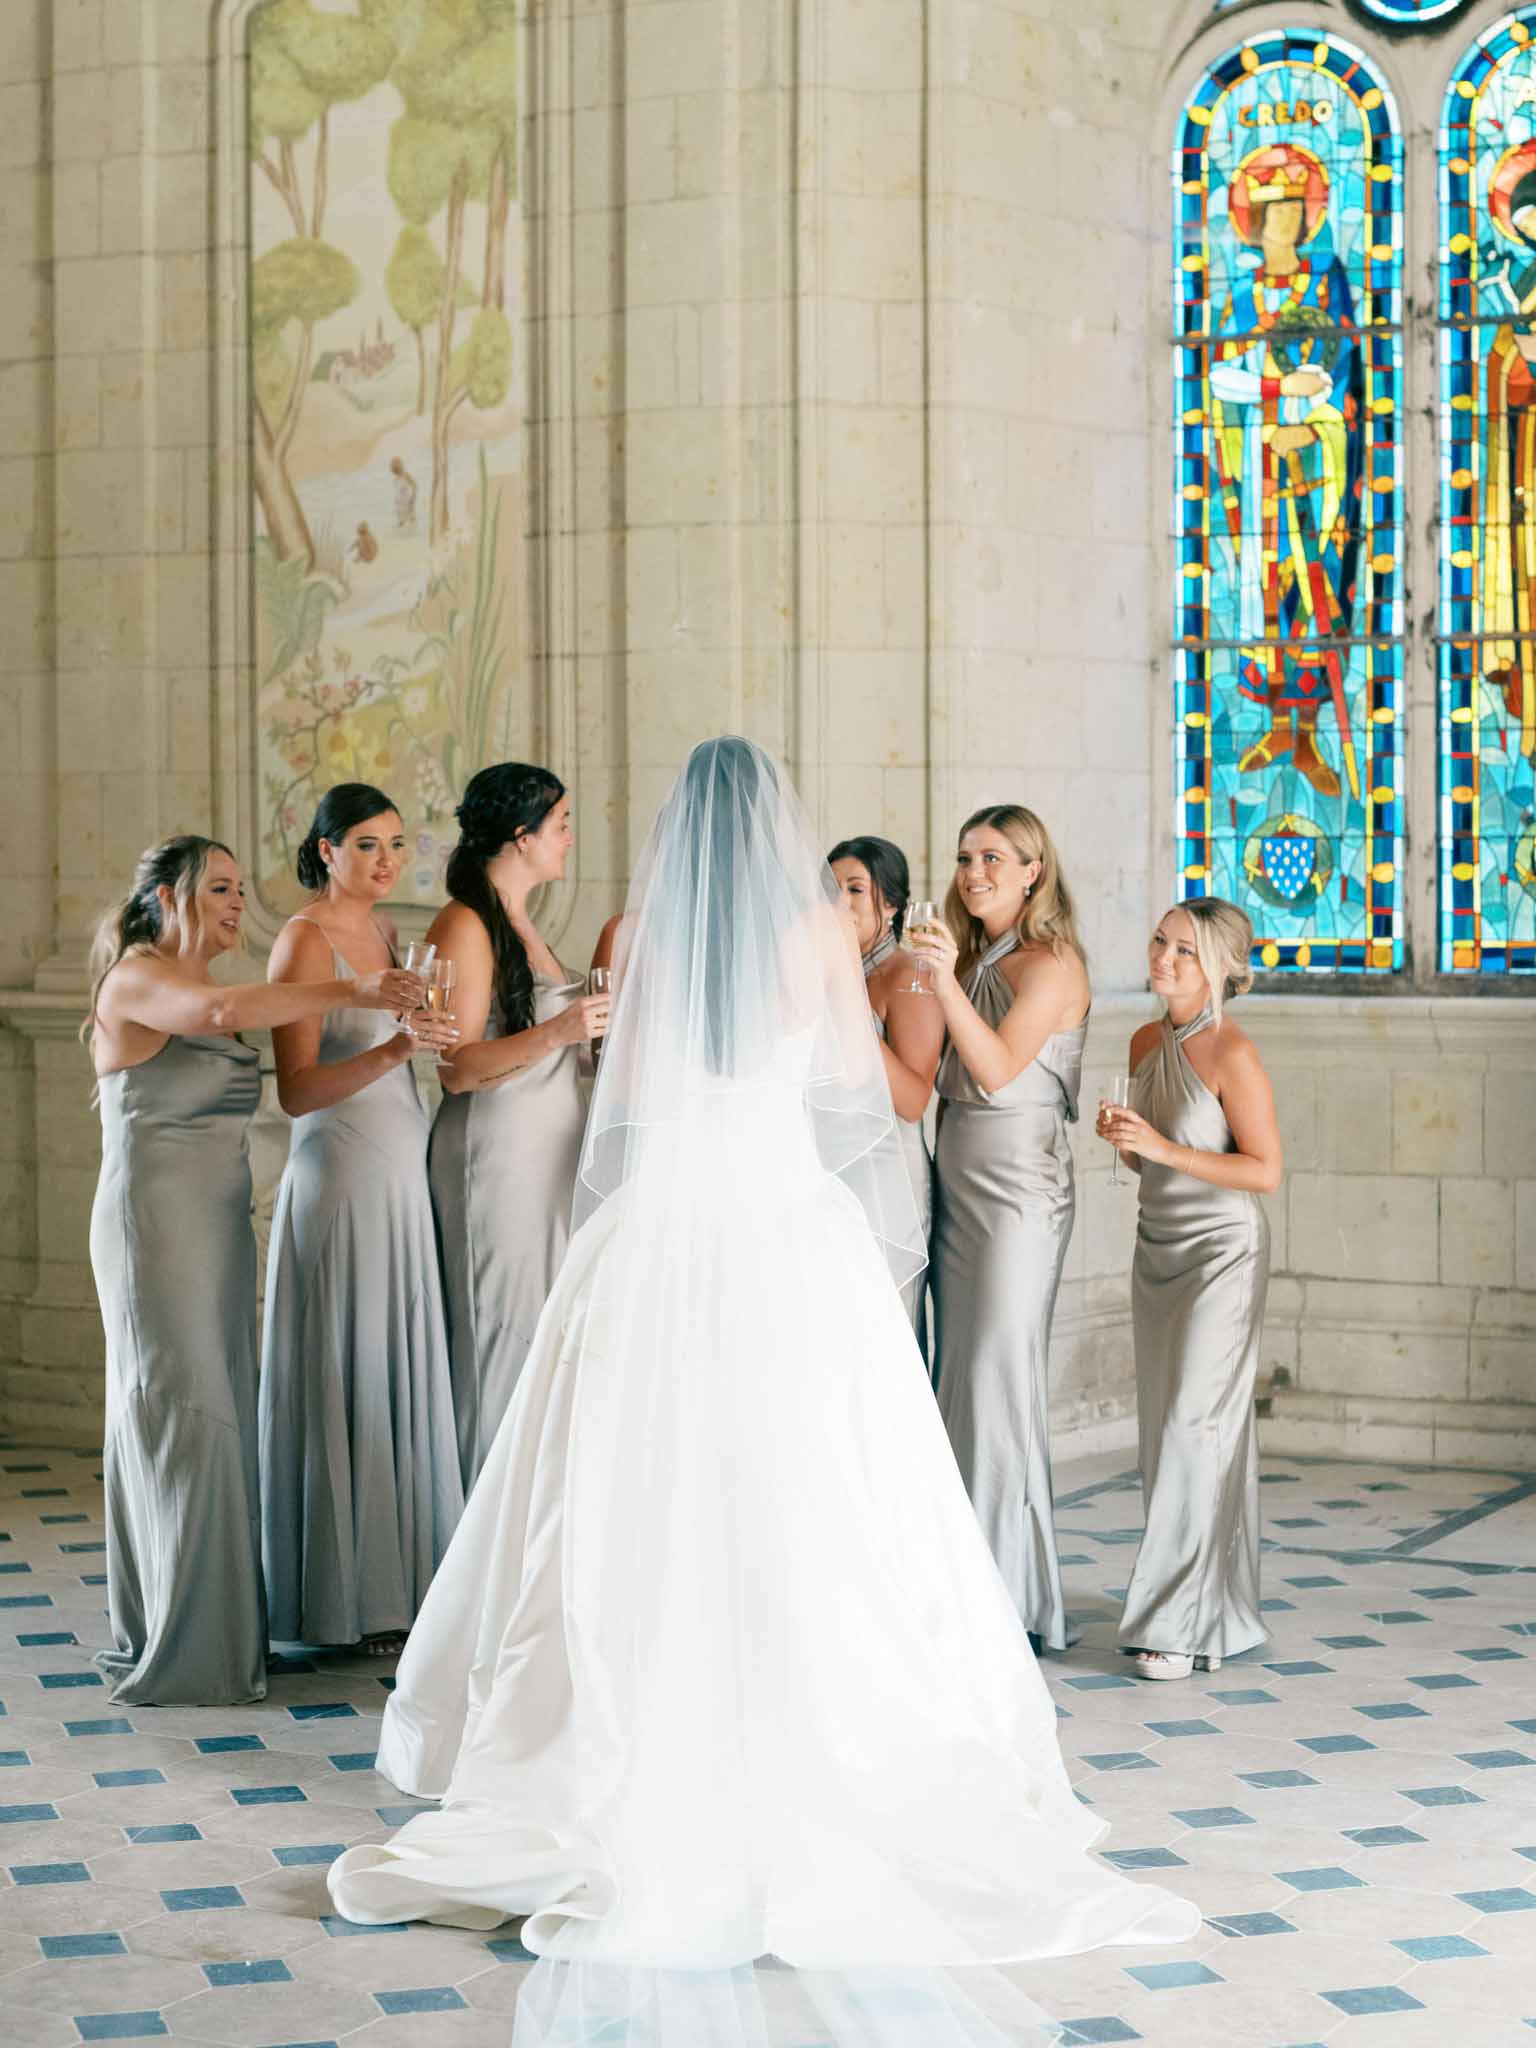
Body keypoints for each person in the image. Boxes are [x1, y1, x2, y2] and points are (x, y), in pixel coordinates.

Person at [328, 739, 1199, 2048]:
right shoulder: (813, 943)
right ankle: (821, 1747)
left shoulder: (642, 935)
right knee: (817, 1491)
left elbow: (622, 1110)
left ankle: (629, 1753)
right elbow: (860, 1099)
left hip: (663, 1228)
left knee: (644, 1490)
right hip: (789, 1227)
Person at [84, 835, 420, 1706]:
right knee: (184, 1412)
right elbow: (223, 1012)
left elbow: (259, 1045)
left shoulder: (199, 984)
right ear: (167, 896)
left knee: (221, 1406)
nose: (239, 904)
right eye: (221, 888)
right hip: (152, 1225)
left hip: (218, 1226)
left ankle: (222, 1632)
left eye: (240, 888)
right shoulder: (137, 977)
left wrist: (385, 1043)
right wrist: (351, 988)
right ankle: (184, 1645)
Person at [260, 785, 465, 1659]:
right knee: (349, 1359)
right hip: (337, 1169)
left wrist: (430, 1036)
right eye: (367, 846)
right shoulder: (302, 938)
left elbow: (418, 1048)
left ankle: (401, 1584)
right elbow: (297, 1090)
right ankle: (341, 1599)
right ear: (325, 850)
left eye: (396, 846)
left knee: (394, 1359)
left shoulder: (391, 933)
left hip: (398, 1163)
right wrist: (395, 1047)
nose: (386, 862)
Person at [908, 804, 1090, 1654]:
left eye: (991, 857)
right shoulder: (980, 957)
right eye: (963, 857)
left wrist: (942, 979)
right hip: (959, 1189)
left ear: (1033, 871)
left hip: (1019, 1197)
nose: (971, 873)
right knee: (959, 1385)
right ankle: (958, 1583)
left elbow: (991, 1071)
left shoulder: (1049, 965)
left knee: (997, 1382)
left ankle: (1008, 1601)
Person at [1097, 898, 1281, 1682]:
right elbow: (1156, 1161)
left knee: (1191, 1427)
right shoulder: (1144, 1041)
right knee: (1165, 1431)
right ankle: (1215, 1609)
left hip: (1222, 1255)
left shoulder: (1232, 1051)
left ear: (1221, 969)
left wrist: (1163, 1146)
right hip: (1157, 1250)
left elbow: (1264, 1171)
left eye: (1186, 950)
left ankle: (1174, 1622)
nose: (1165, 958)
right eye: (1161, 941)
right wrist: (1132, 1147)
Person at [426, 763, 608, 1491]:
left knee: (538, 1343)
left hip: (545, 1159)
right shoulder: (466, 924)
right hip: (495, 1159)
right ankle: (477, 1546)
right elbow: (458, 1067)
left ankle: (519, 1539)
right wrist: (564, 1028)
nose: (570, 838)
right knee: (497, 1338)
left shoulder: (521, 919)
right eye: (560, 825)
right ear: (523, 836)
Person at [828, 835, 941, 1350]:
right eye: (831, 890)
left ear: (891, 903)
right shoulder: (828, 971)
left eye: (856, 889)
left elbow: (914, 1100)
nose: (841, 903)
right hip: (830, 1171)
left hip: (885, 1173)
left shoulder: (909, 974)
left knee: (881, 1333)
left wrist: (848, 1004)